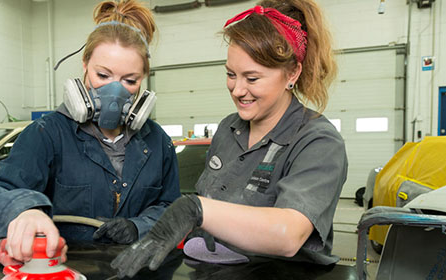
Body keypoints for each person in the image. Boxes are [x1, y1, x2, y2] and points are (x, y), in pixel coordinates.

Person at [111, 0, 348, 277]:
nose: (237, 89)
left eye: (252, 78)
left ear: (292, 73)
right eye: (230, 74)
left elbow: (289, 234)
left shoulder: (317, 141)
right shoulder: (228, 129)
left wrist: (197, 209)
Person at [0, 0, 179, 263]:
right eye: (103, 75)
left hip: (138, 268)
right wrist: (24, 211)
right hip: (65, 267)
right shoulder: (47, 134)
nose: (116, 91)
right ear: (85, 65)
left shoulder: (157, 141)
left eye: (129, 80)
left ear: (143, 80)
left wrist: (139, 226)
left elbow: (171, 207)